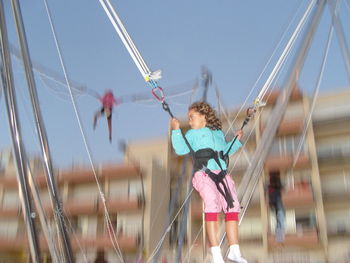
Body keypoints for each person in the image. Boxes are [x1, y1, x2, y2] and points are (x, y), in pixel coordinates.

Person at [171, 101, 247, 263]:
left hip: (222, 174)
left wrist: (236, 140)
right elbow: (180, 149)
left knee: (232, 207)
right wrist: (176, 131)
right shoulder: (192, 134)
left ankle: (234, 250)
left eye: (192, 117)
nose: (190, 121)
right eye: (189, 118)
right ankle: (216, 253)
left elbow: (225, 151)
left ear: (203, 116)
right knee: (212, 204)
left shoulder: (218, 133)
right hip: (204, 174)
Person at [268, 171, 285, 244]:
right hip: (276, 200)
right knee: (280, 217)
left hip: (275, 200)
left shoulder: (272, 186)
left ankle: (279, 237)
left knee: (280, 218)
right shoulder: (272, 186)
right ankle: (279, 237)